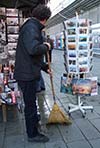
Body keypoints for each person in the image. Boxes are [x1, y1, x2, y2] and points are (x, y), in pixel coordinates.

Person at [14, 4, 51, 142]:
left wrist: (45, 67)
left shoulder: (31, 26)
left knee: (31, 103)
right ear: (44, 19)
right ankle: (32, 134)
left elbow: (32, 58)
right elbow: (33, 49)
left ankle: (34, 120)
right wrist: (46, 46)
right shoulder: (31, 28)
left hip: (27, 72)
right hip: (26, 75)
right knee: (30, 105)